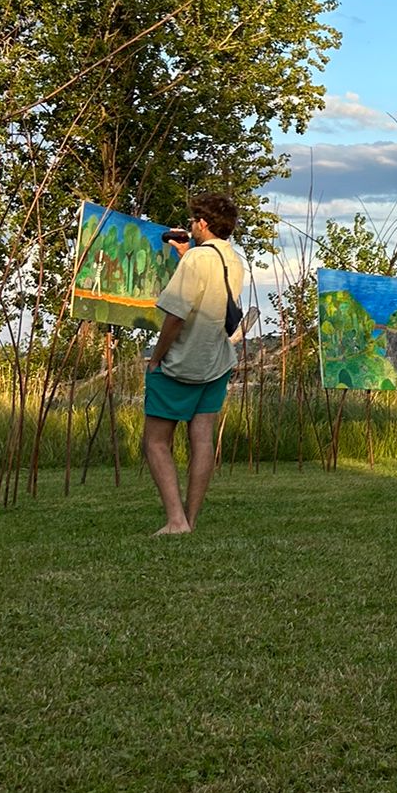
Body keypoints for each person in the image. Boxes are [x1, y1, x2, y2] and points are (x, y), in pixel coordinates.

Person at [142, 192, 245, 536]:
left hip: (181, 363)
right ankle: (191, 518)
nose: (190, 225)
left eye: (192, 220)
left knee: (156, 442)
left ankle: (176, 521)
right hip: (215, 362)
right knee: (202, 440)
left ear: (202, 223)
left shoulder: (197, 259)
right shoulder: (233, 259)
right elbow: (211, 291)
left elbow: (175, 316)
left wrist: (156, 358)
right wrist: (187, 253)